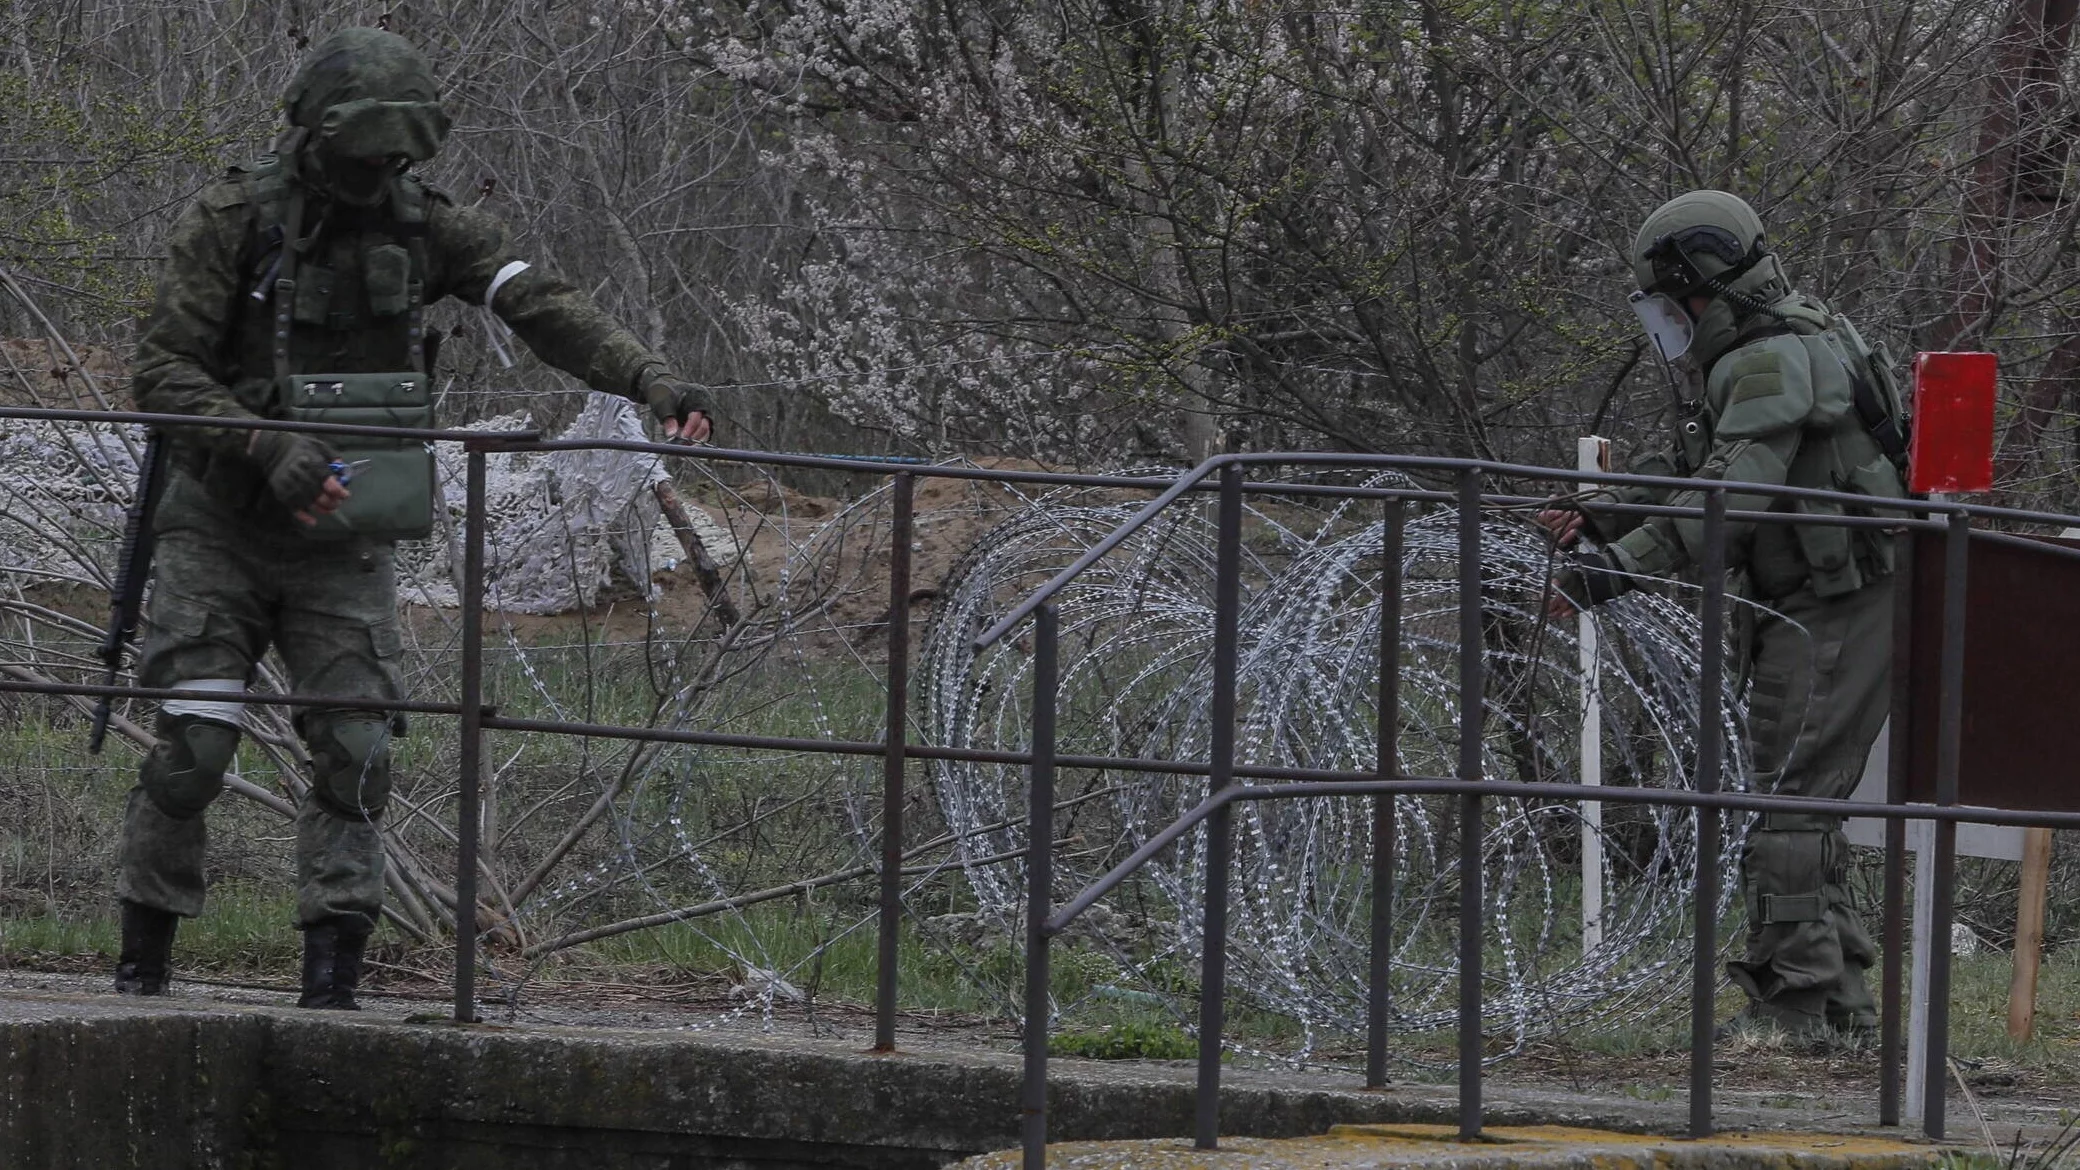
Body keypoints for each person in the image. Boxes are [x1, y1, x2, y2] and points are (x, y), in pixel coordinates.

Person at [112, 27, 715, 1008]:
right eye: (366, 155)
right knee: (195, 743)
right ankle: (142, 968)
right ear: (317, 135)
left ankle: (331, 977)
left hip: (340, 541)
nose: (379, 173)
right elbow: (162, 371)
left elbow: (542, 305)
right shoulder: (232, 222)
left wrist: (648, 378)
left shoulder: (424, 226)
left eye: (397, 157)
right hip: (218, 524)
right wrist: (266, 444)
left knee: (356, 752)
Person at [1543, 190, 1908, 1039]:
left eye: (1673, 303)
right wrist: (1605, 512)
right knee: (1800, 803)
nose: (1670, 322)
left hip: (1835, 604)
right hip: (1818, 602)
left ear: (1700, 285)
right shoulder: (1785, 342)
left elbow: (1732, 491)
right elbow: (1700, 463)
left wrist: (1610, 573)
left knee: (1786, 803)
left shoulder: (1772, 359)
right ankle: (1839, 1008)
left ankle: (1794, 1010)